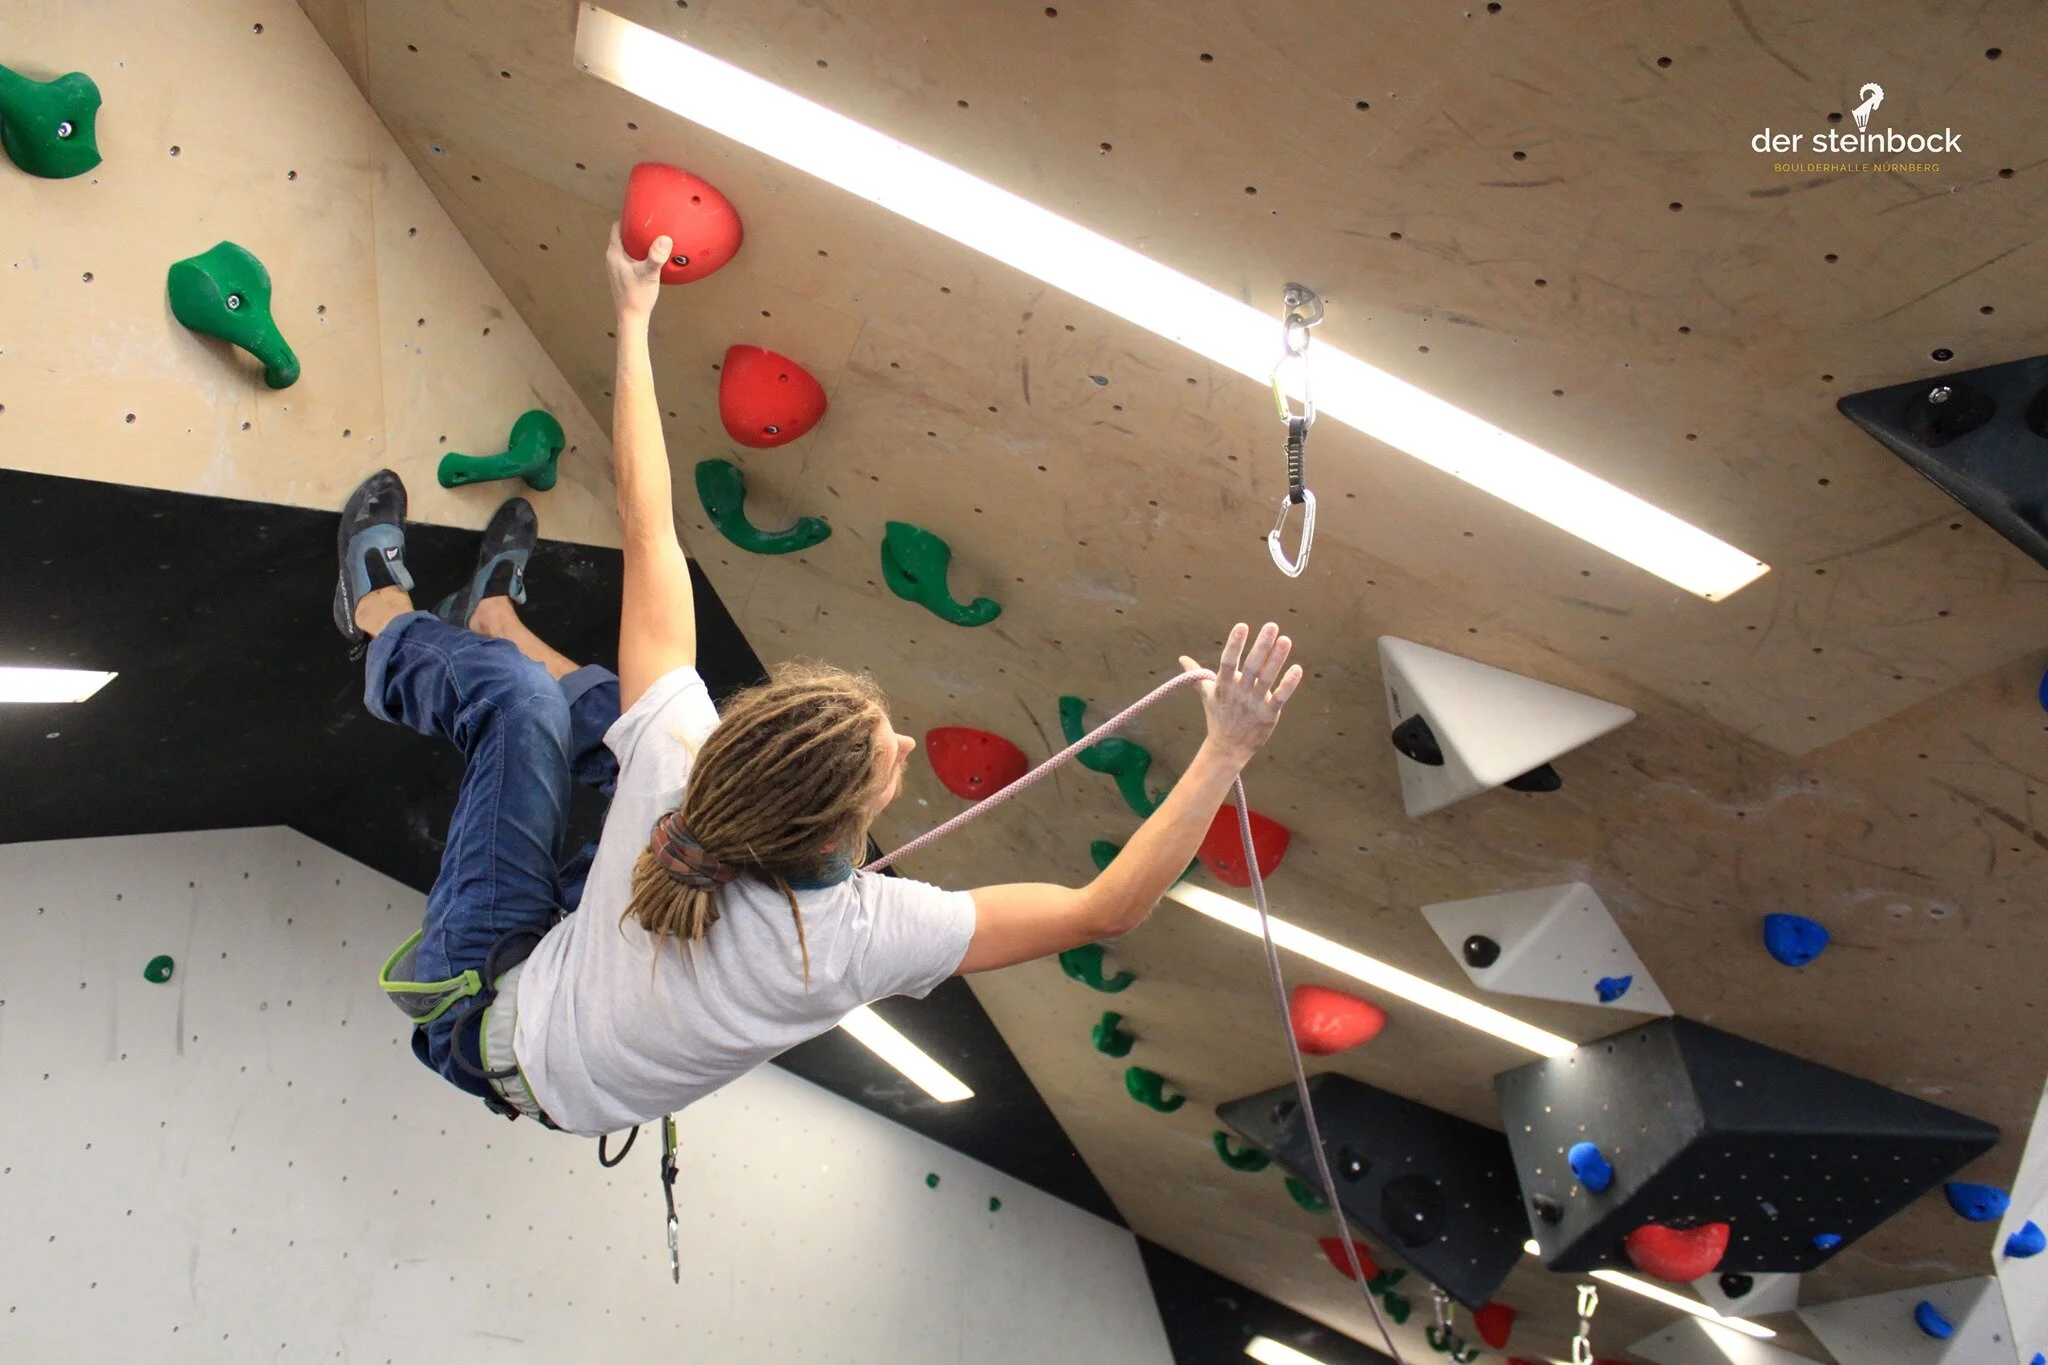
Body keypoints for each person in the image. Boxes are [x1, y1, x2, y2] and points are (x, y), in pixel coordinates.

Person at [339, 226, 1303, 1138]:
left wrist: (632, 318)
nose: (907, 744)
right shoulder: (848, 936)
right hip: (596, 983)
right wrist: (1225, 752)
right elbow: (1104, 909)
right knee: (612, 715)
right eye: (889, 752)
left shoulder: (686, 776)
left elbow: (650, 530)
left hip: (489, 1015)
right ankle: (495, 622)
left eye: (885, 750)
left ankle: (377, 616)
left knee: (521, 703)